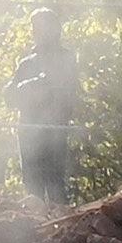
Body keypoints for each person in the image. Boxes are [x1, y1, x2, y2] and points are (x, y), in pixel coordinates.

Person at [13, 11, 80, 205]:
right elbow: (9, 96)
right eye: (36, 28)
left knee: (55, 183)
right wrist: (29, 86)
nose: (39, 32)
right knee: (32, 186)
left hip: (54, 130)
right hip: (29, 132)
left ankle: (60, 220)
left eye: (45, 27)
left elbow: (68, 94)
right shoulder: (27, 63)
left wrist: (48, 90)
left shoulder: (66, 59)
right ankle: (34, 221)